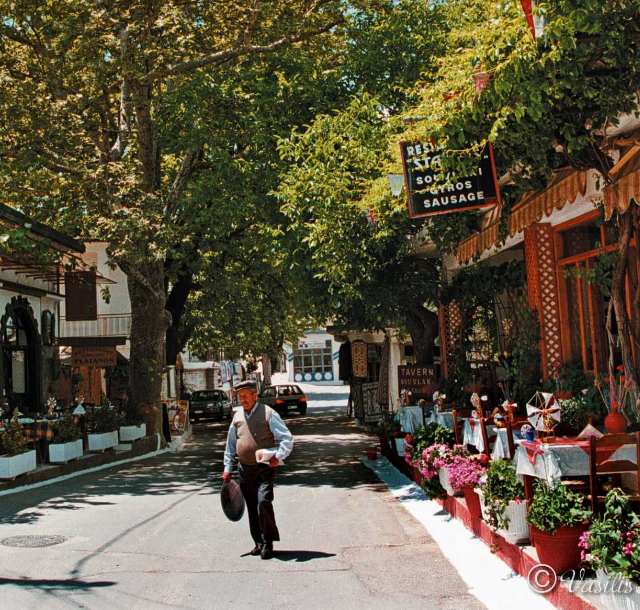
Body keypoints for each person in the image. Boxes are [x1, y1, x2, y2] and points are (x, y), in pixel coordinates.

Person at [222, 380, 293, 560]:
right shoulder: (237, 417)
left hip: (265, 467)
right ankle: (258, 542)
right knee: (252, 506)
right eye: (240, 396)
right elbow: (230, 444)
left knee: (263, 502)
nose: (243, 399)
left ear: (255, 395)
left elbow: (286, 438)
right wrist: (227, 468)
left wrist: (279, 456)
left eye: (246, 396)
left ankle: (268, 542)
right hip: (244, 469)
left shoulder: (268, 413)